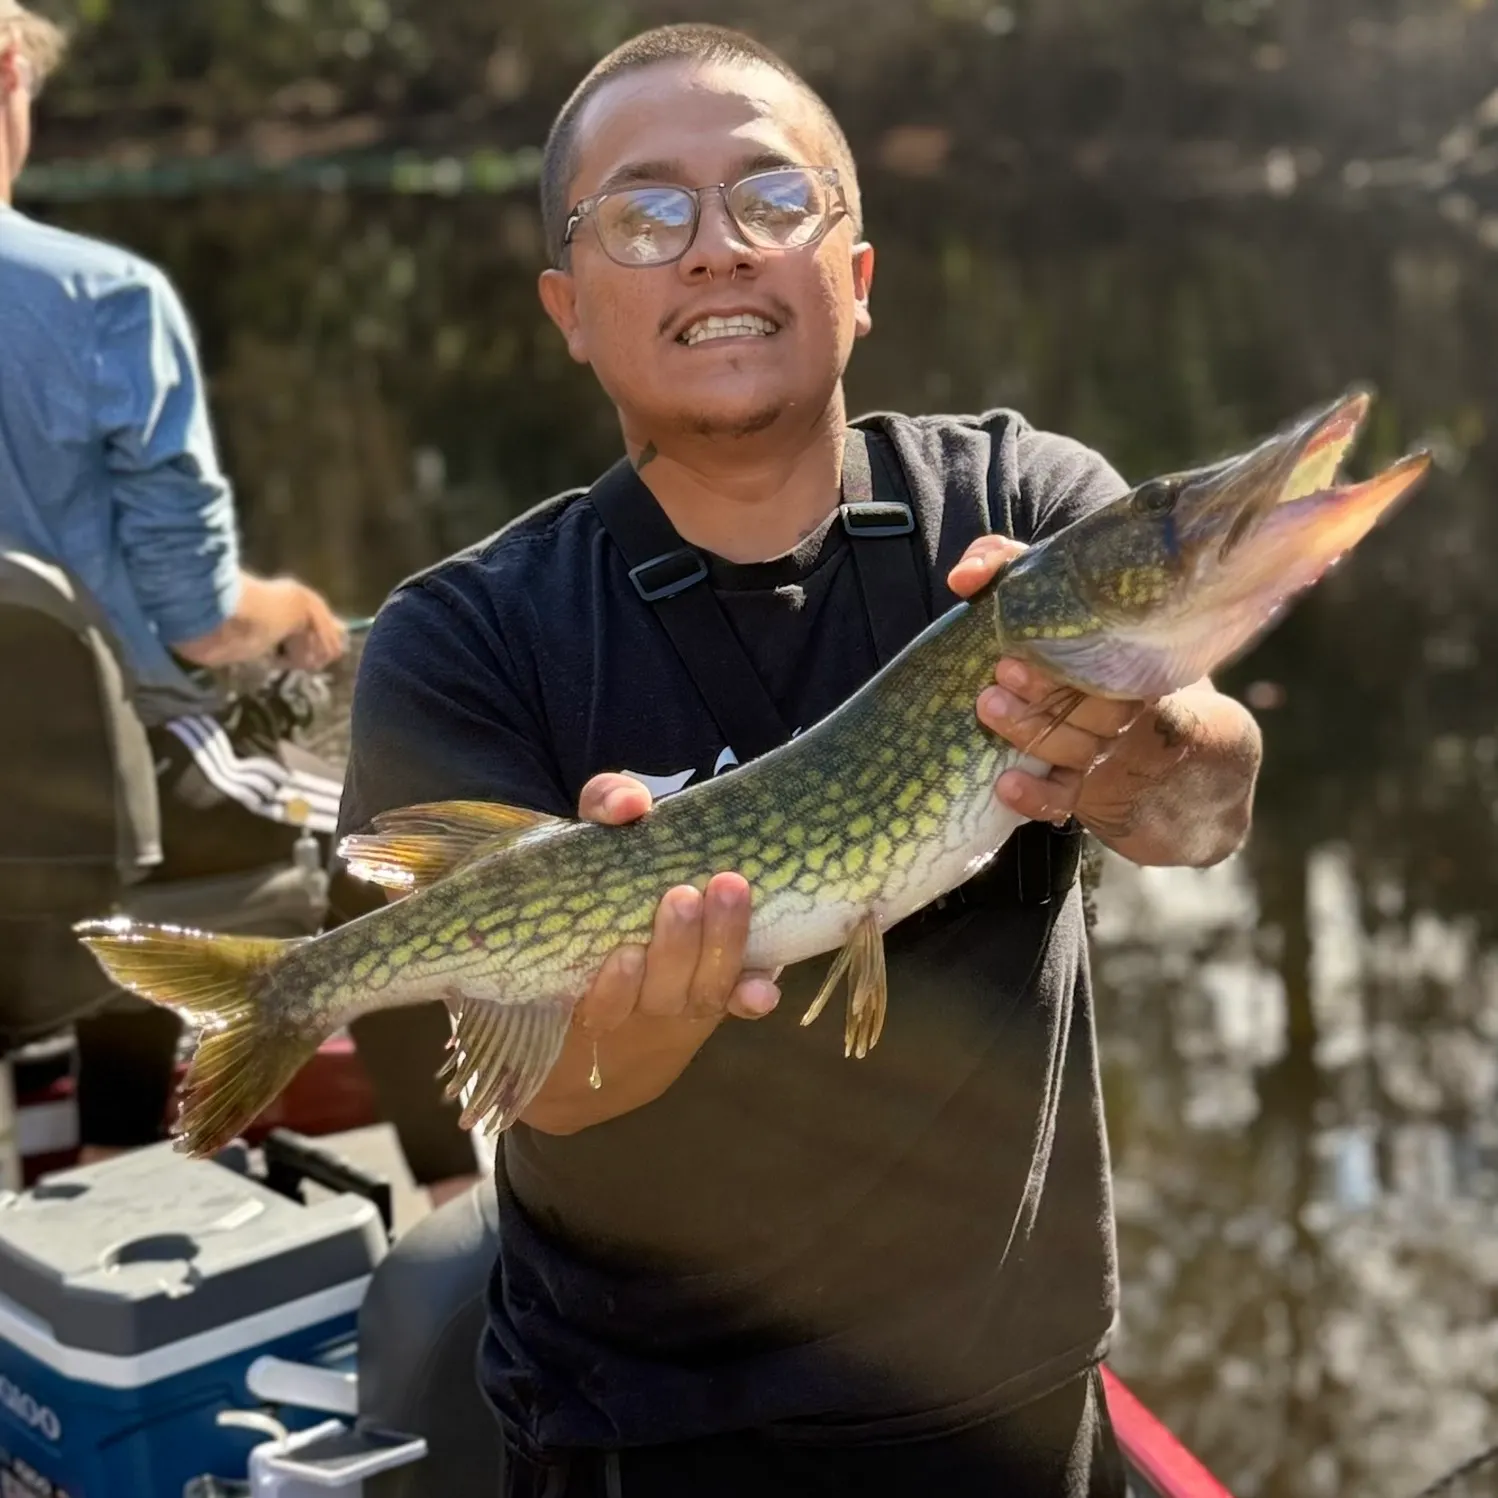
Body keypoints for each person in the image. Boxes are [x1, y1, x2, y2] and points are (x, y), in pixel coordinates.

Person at [338, 23, 1264, 1497]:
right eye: (647, 214)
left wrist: (1138, 744)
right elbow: (546, 1088)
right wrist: (644, 1012)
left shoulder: (1020, 512)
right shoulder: (465, 636)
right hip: (639, 1430)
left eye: (770, 200)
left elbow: (1209, 809)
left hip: (1009, 1404)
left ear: (856, 275)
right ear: (570, 309)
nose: (714, 249)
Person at [0, 1, 479, 1203]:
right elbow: (200, 623)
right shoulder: (100, 303)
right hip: (109, 798)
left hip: (40, 813)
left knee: (107, 815)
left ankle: (102, 1171)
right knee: (373, 857)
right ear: (7, 70)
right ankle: (460, 1231)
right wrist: (290, 606)